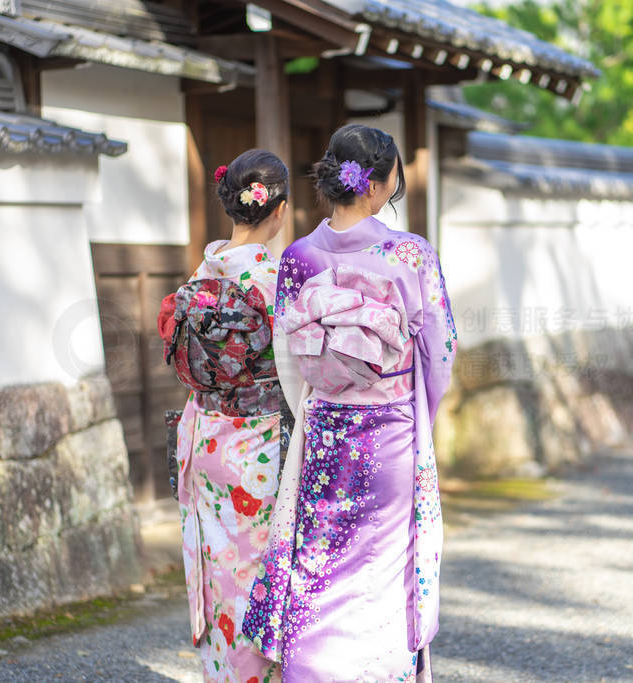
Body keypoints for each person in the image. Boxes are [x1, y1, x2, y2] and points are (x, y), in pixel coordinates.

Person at [242, 124, 458, 681]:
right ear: (381, 183)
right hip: (391, 433)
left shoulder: (297, 258)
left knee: (317, 562)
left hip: (324, 433)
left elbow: (290, 362)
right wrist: (418, 416)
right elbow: (441, 353)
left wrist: (321, 403)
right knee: (384, 568)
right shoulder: (410, 254)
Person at [158, 149, 290, 682]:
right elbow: (298, 373)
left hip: (202, 434)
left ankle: (220, 674)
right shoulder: (277, 281)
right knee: (253, 569)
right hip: (254, 445)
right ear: (277, 210)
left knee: (214, 564)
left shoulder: (203, 269)